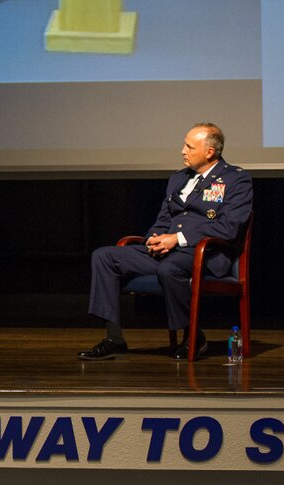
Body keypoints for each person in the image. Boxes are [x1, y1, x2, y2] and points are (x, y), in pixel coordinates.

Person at [78, 123, 252, 361]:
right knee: (104, 256)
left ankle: (193, 337)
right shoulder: (178, 178)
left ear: (210, 152)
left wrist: (177, 239)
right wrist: (154, 239)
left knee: (169, 268)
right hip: (169, 251)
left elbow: (229, 227)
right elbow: (163, 219)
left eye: (189, 147)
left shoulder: (236, 179)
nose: (183, 150)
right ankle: (114, 338)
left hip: (206, 253)